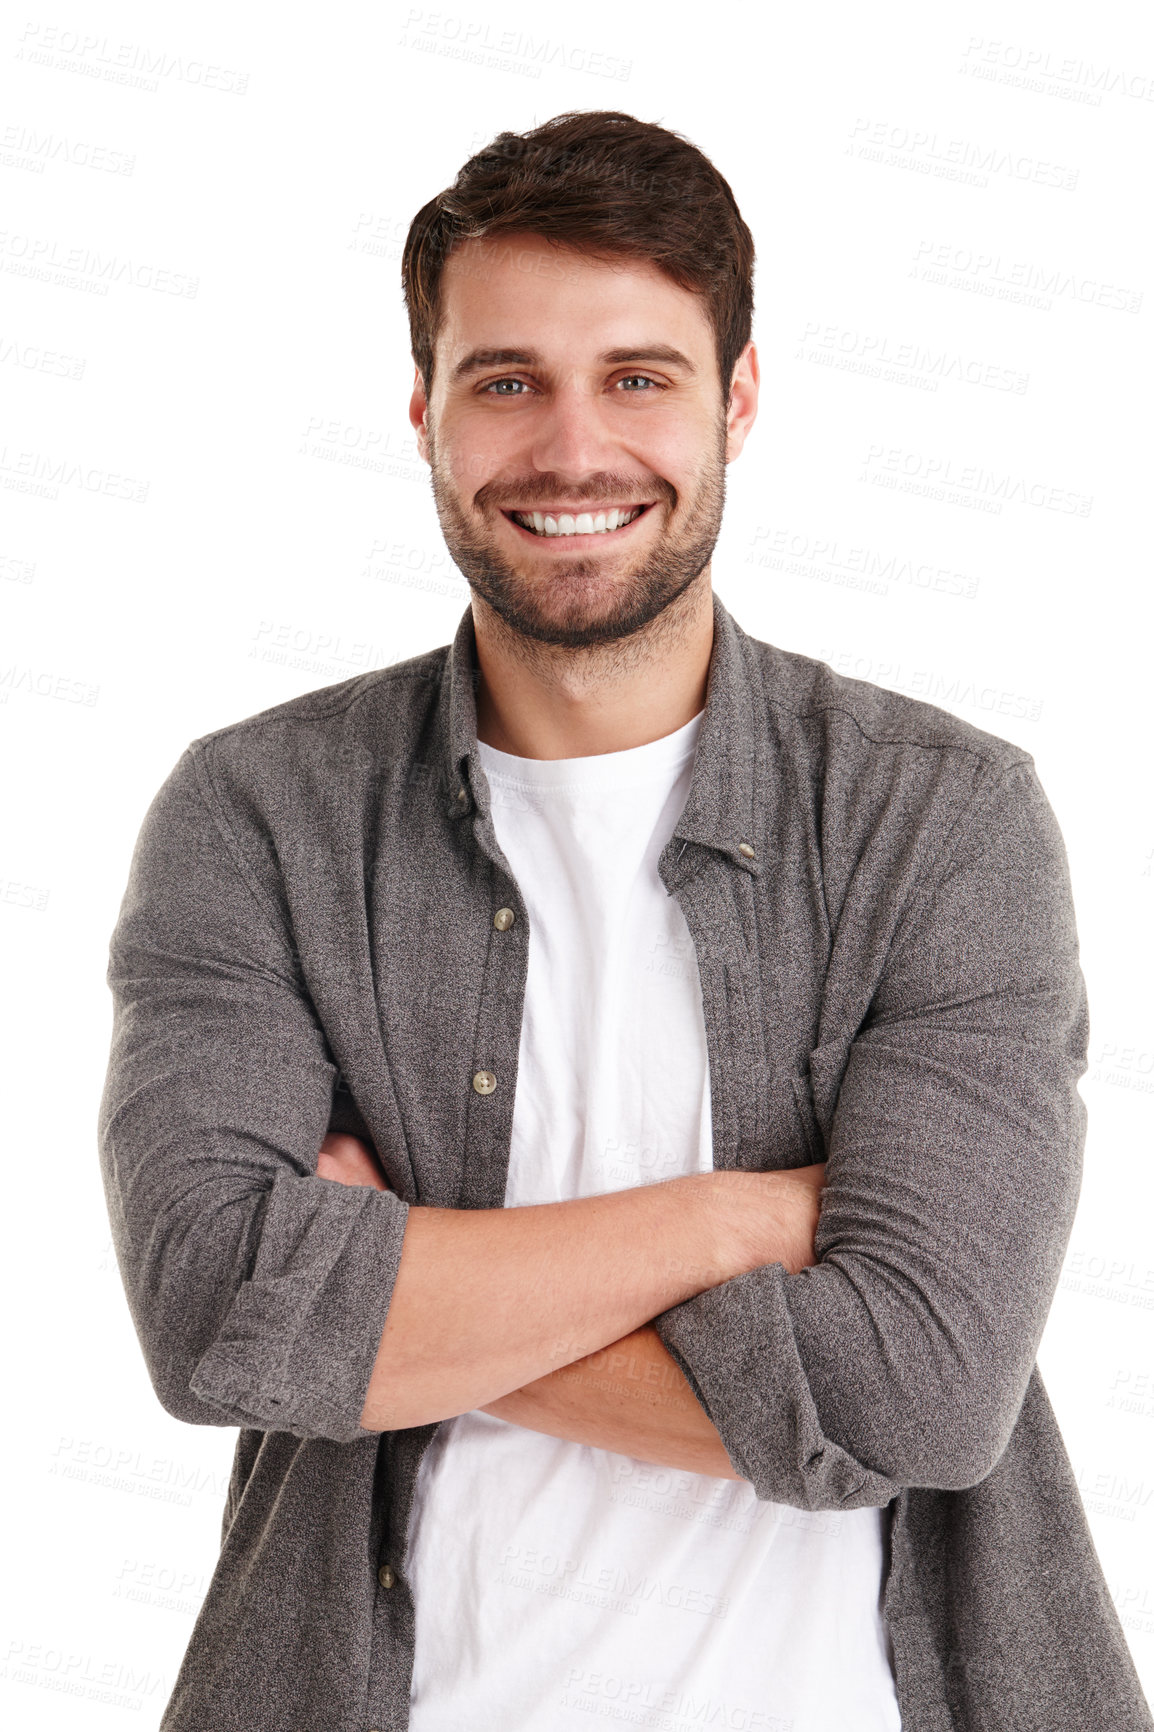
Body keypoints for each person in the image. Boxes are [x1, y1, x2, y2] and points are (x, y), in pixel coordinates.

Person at [98, 111, 1153, 1732]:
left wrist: (370, 1307)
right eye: (505, 379)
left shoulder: (942, 818)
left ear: (736, 400)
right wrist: (729, 1221)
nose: (571, 449)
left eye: (639, 377)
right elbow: (211, 1317)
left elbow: (923, 1398)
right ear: (424, 411)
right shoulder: (259, 817)